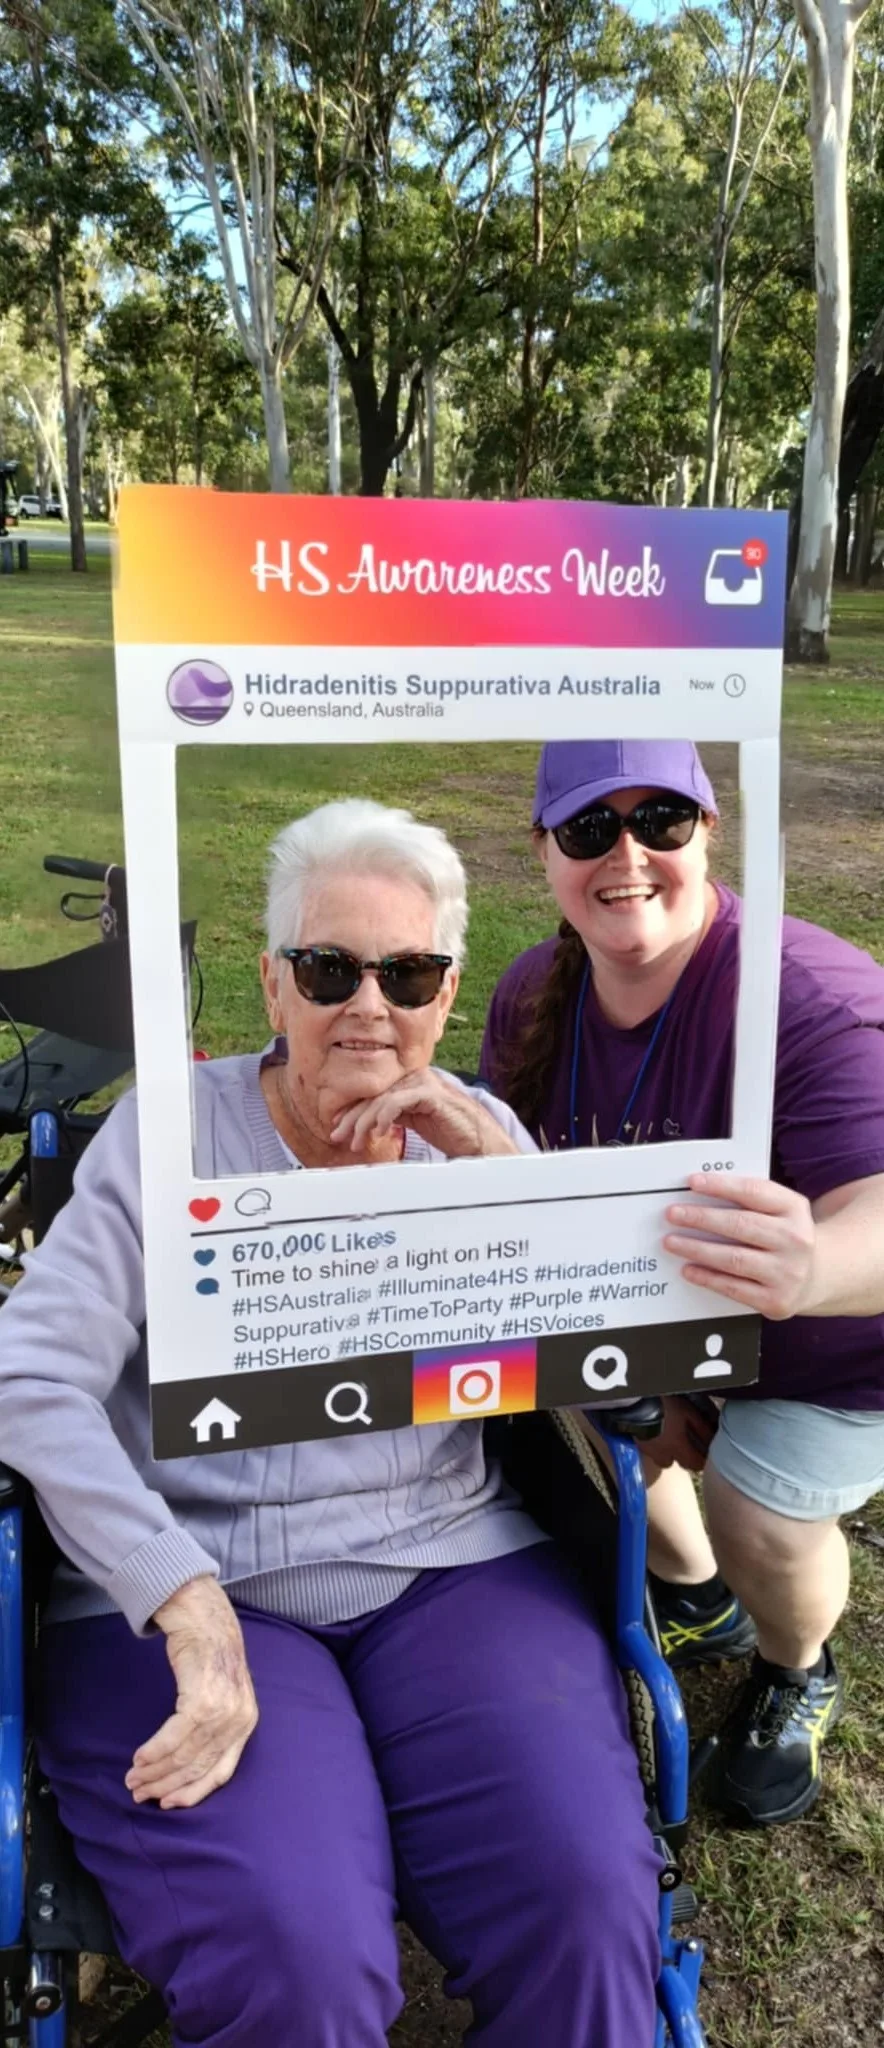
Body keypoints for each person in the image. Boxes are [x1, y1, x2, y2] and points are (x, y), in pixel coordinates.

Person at [0, 798, 661, 2048]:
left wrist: (511, 1201)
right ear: (272, 981)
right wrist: (175, 1594)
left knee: (582, 1903)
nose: (369, 1004)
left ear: (446, 989)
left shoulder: (479, 1137)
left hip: (448, 1560)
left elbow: (602, 1381)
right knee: (293, 1959)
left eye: (406, 972)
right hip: (199, 1579)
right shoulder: (171, 1133)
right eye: (327, 966)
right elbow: (27, 1376)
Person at [481, 739, 884, 1828]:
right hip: (662, 1320)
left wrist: (809, 1265)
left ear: (706, 827)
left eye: (658, 818)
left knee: (755, 1499)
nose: (626, 853)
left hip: (835, 1342)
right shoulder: (531, 990)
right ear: (545, 853)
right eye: (586, 828)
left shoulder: (807, 998)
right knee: (548, 1386)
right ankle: (697, 1596)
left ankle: (794, 1665)